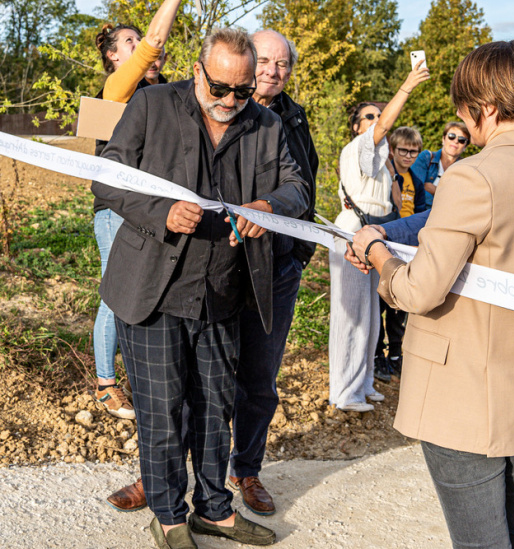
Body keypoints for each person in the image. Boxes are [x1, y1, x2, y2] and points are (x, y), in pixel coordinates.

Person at [350, 39, 514, 549]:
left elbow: (419, 290)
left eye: (463, 106)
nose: (461, 117)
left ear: (487, 107)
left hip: (469, 396)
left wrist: (376, 252)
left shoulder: (472, 176)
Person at [92, 28, 310, 548]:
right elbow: (106, 175)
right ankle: (169, 516)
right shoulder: (151, 105)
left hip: (223, 291)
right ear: (197, 71)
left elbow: (298, 186)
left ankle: (214, 510)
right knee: (162, 410)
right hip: (152, 289)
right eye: (220, 88)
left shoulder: (267, 123)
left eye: (242, 90)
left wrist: (268, 207)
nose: (231, 101)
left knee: (215, 409)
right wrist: (161, 211)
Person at [228, 28, 319, 517]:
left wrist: (297, 255)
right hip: (218, 264)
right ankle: (167, 468)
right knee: (197, 374)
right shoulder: (220, 106)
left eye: (282, 64)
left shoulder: (294, 118)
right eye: (264, 60)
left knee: (260, 378)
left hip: (277, 269)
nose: (273, 71)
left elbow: (305, 188)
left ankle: (246, 469)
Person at [92, 0, 183, 421]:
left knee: (149, 293)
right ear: (114, 57)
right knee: (117, 294)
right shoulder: (116, 90)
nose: (145, 47)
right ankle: (105, 384)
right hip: (117, 210)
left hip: (153, 211)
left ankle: (140, 379)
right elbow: (154, 42)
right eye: (130, 42)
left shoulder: (165, 93)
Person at [327, 63, 429, 413]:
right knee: (351, 314)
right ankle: (344, 392)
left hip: (373, 232)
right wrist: (408, 84)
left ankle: (364, 382)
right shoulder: (357, 147)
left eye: (377, 115)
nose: (376, 120)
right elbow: (384, 127)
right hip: (353, 229)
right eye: (368, 117)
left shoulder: (381, 160)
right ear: (357, 127)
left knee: (370, 316)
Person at [373, 126, 426, 382]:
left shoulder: (416, 181)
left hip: (406, 246)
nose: (408, 156)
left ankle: (396, 353)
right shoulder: (385, 176)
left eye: (413, 152)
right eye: (403, 151)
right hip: (383, 240)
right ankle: (377, 354)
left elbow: (421, 211)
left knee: (398, 303)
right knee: (379, 302)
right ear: (393, 150)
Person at [411, 121, 470, 210]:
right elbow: (415, 190)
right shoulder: (426, 158)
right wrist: (447, 196)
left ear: (465, 146)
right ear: (443, 139)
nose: (455, 141)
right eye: (451, 136)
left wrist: (435, 190)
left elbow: (460, 202)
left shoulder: (464, 170)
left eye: (461, 140)